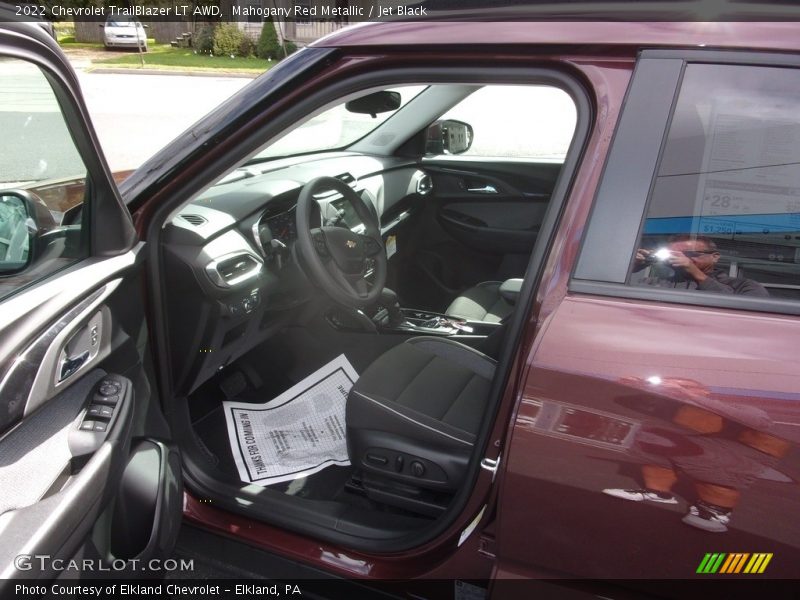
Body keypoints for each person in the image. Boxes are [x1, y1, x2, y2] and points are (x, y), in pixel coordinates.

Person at [634, 235, 769, 297]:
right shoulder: (653, 283)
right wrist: (634, 267)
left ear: (714, 256)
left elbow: (745, 317)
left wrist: (694, 272)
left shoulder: (746, 286)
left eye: (690, 253)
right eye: (673, 253)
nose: (683, 257)